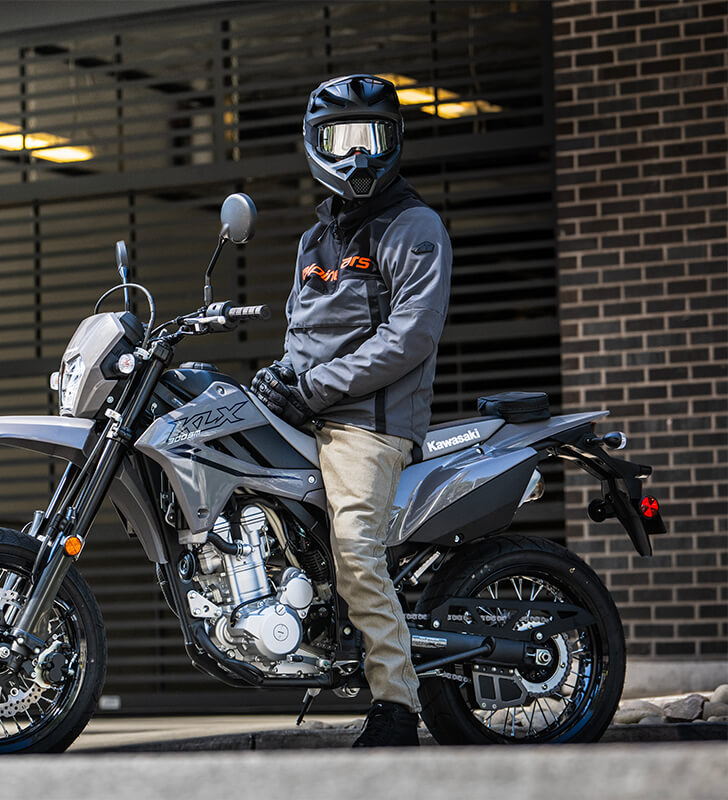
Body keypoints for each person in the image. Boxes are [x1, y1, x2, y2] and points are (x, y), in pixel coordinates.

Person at [251, 74, 452, 747]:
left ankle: (397, 705)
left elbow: (409, 337)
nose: (360, 155)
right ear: (316, 145)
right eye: (344, 139)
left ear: (396, 142)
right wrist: (279, 378)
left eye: (376, 137)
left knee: (356, 551)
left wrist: (314, 388)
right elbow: (303, 336)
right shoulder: (317, 240)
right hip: (314, 414)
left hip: (369, 426)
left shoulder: (413, 225)